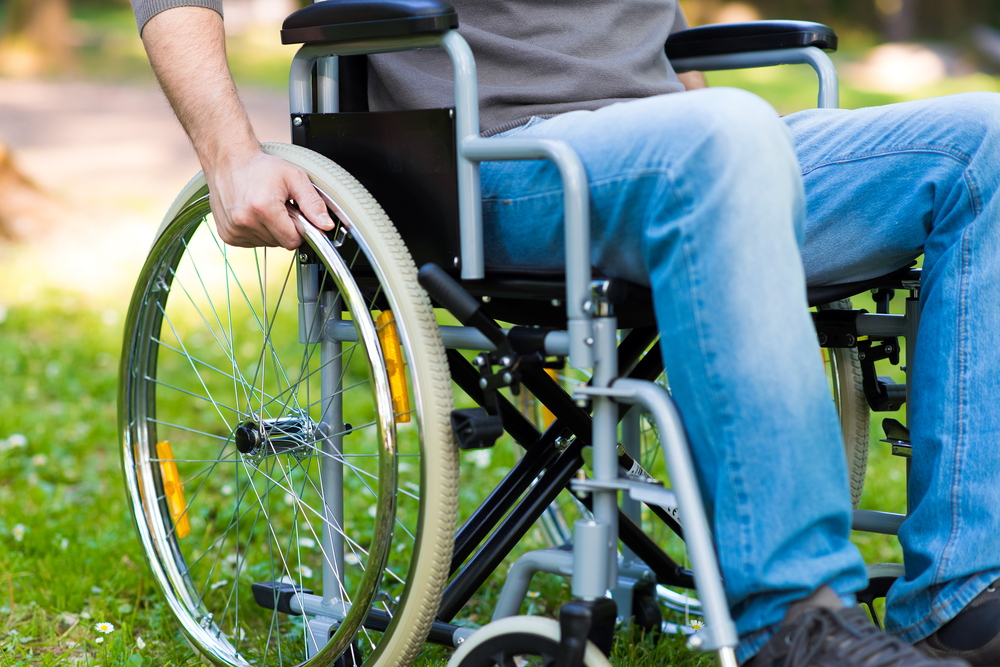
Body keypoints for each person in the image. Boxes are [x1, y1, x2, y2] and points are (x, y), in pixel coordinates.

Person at [130, 1, 1000, 666]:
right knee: (726, 134)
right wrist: (230, 153)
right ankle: (798, 616)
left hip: (683, 145)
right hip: (496, 159)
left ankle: (961, 593)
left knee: (983, 143)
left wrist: (731, 156)